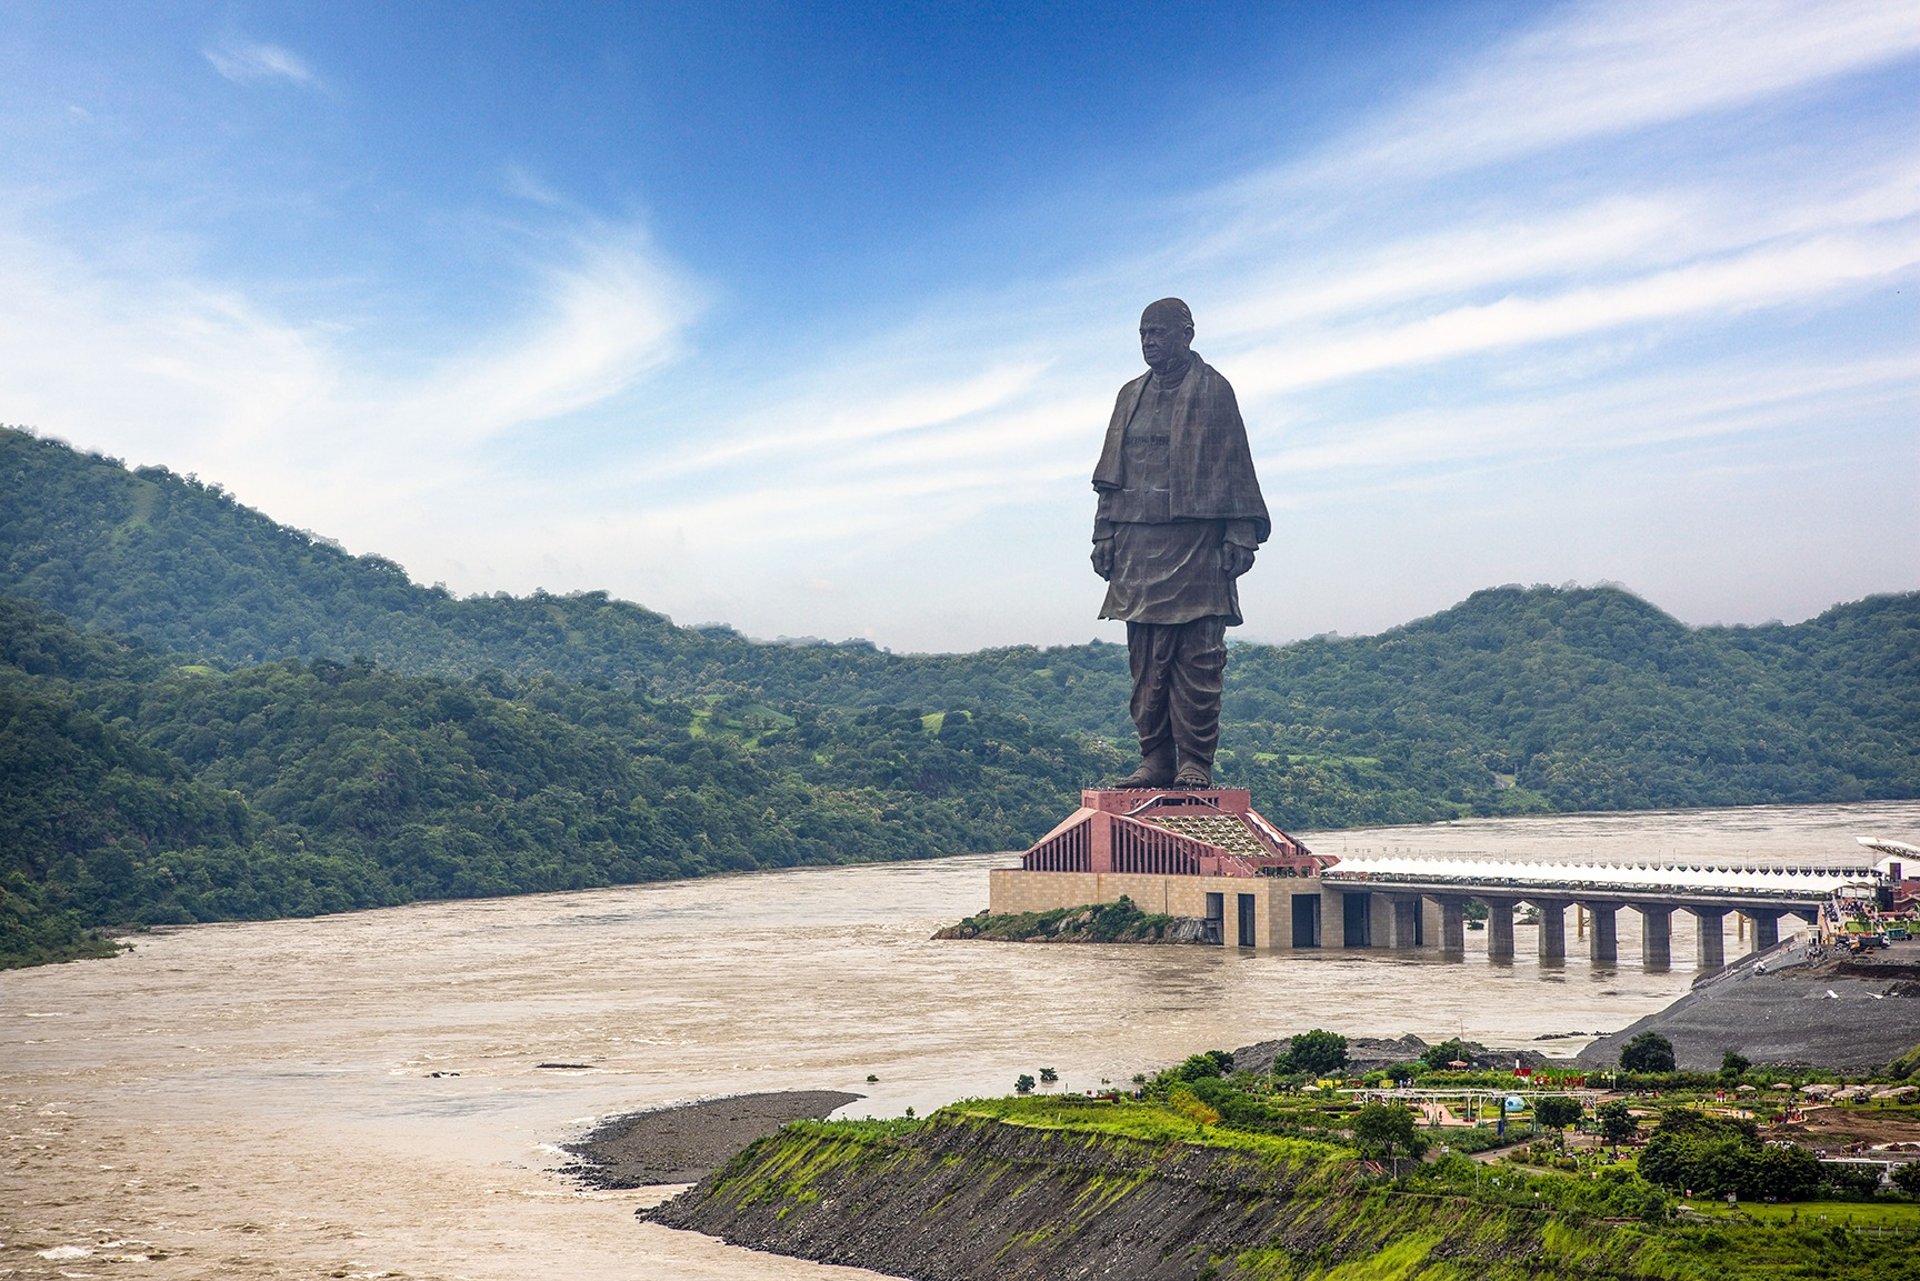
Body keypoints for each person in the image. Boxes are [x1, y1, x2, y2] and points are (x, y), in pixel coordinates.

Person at [1091, 298, 1268, 789]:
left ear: (1186, 335)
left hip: (1196, 543)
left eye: (1159, 333)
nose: (1150, 342)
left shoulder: (1214, 390)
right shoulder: (1129, 395)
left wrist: (1240, 531)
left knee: (1198, 655)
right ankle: (1155, 758)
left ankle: (1195, 759)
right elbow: (1110, 474)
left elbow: (1235, 465)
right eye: (1143, 334)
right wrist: (1104, 531)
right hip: (1136, 542)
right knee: (1145, 658)